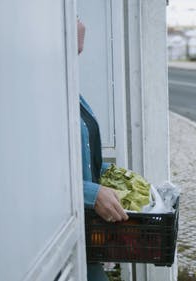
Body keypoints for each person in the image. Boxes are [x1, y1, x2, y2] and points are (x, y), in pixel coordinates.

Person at [77, 18, 128, 281]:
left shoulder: (67, 85)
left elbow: (79, 154)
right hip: (65, 237)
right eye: (73, 16)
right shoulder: (33, 90)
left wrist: (115, 176)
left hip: (87, 236)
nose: (82, 24)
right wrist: (91, 194)